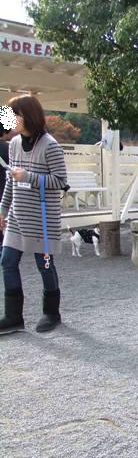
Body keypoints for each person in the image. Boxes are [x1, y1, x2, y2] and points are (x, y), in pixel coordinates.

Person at [0, 95, 68, 334]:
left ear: (26, 116)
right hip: (18, 218)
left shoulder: (50, 146)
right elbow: (11, 179)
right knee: (7, 262)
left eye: (11, 114)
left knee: (45, 265)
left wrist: (28, 176)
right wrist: (2, 209)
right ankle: (13, 316)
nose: (7, 119)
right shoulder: (15, 144)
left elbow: (60, 181)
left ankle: (51, 313)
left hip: (42, 220)